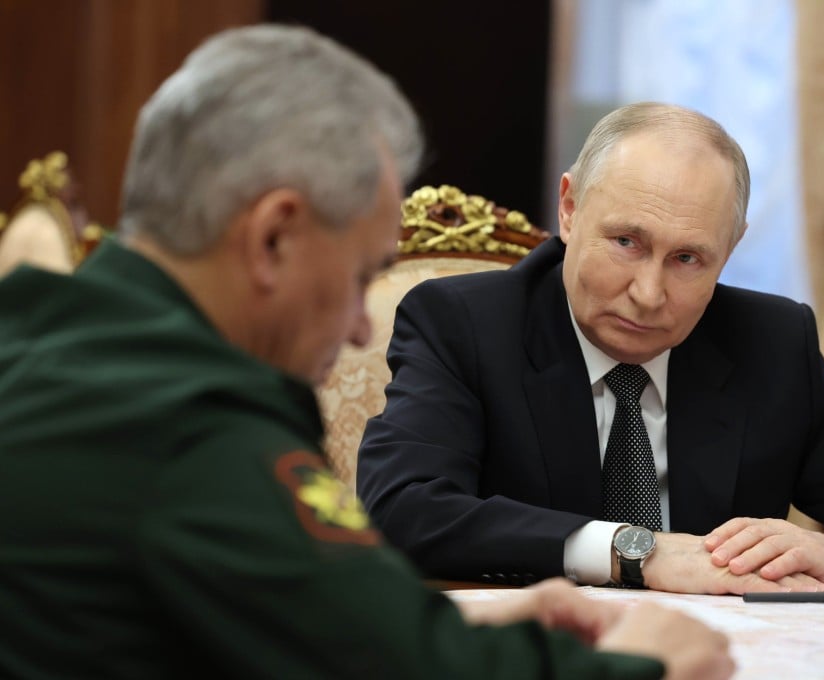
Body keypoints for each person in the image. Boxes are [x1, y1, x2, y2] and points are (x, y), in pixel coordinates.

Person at [0, 27, 734, 680]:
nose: (359, 327)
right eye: (359, 277)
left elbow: (288, 614)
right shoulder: (189, 431)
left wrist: (449, 622)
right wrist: (642, 662)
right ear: (274, 237)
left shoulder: (43, 339)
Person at [357, 102, 824, 594]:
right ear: (570, 208)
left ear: (732, 247)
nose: (647, 292)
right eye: (627, 242)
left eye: (688, 258)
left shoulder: (769, 343)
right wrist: (639, 552)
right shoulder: (465, 324)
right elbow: (402, 508)